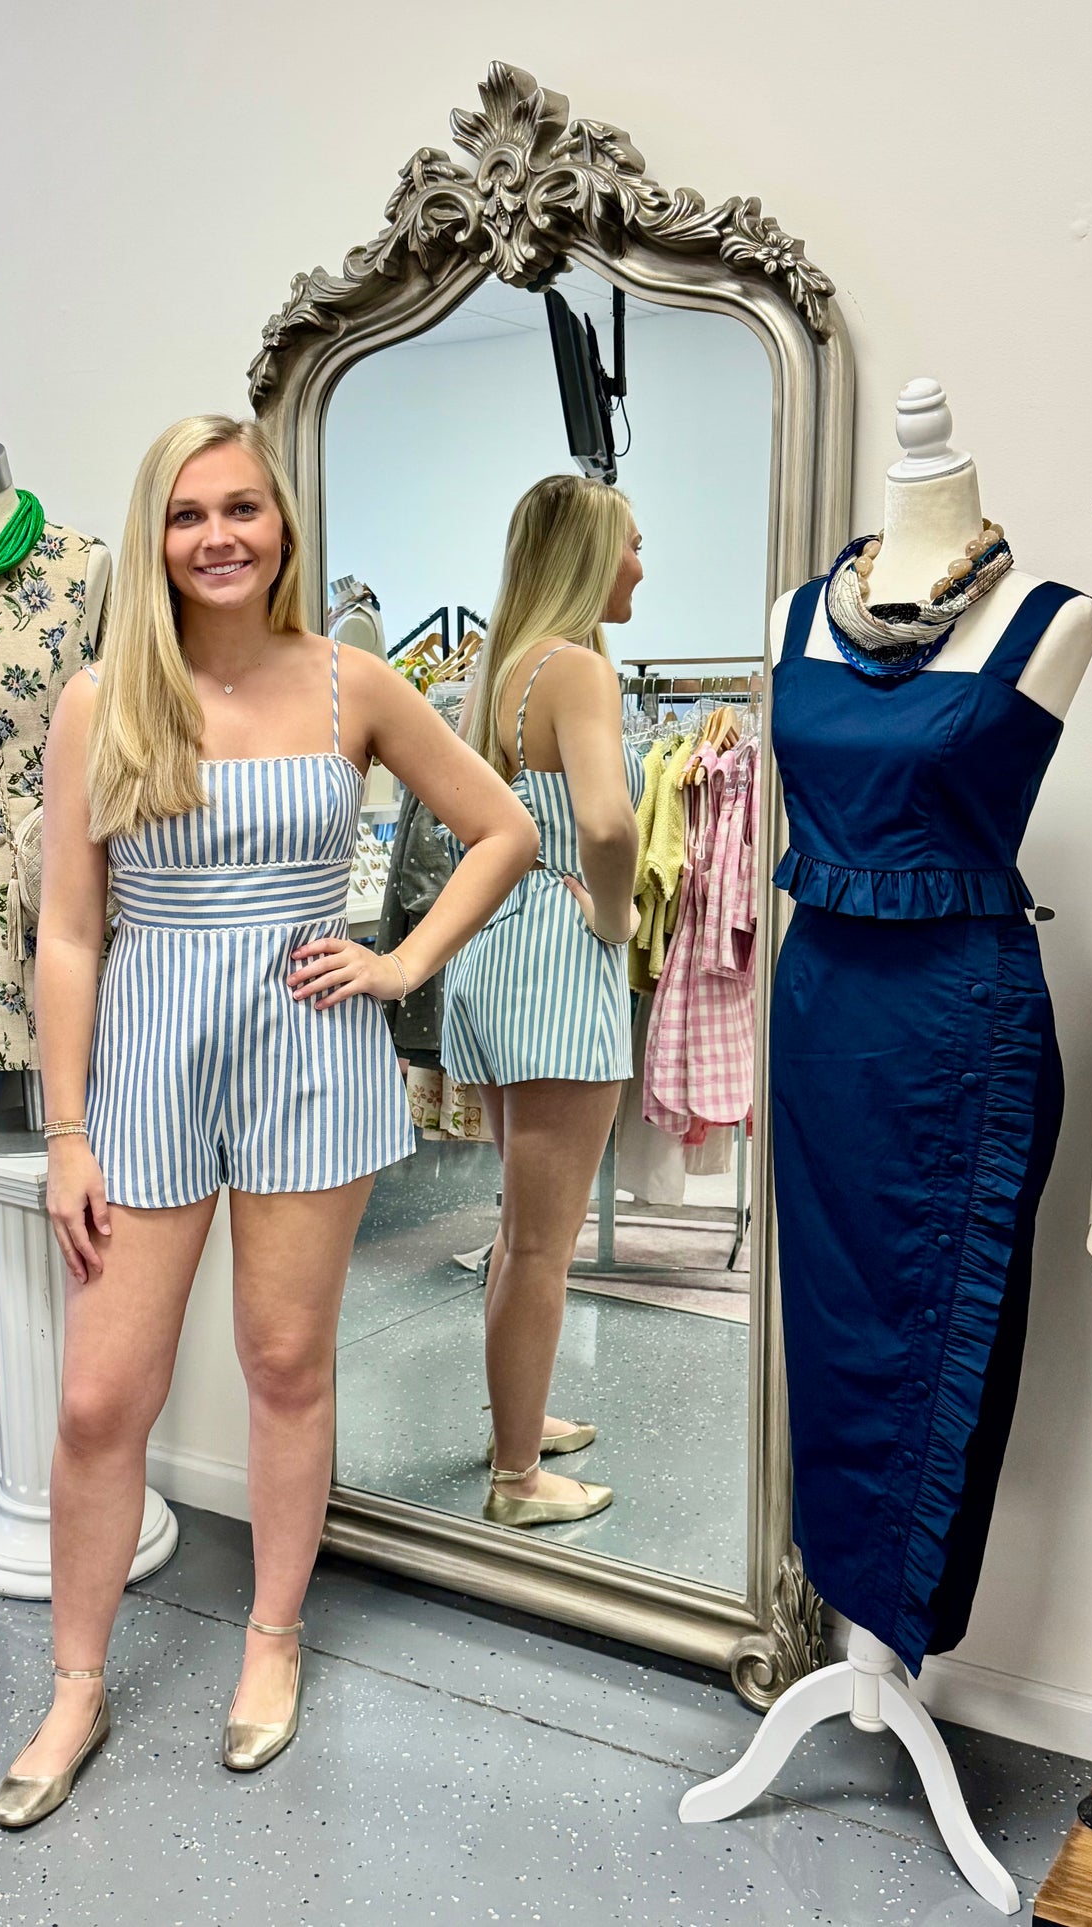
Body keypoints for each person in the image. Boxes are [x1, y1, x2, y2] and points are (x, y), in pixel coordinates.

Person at [0, 415, 537, 1827]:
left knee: (286, 1361)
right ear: (153, 536)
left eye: (242, 506)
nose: (218, 535)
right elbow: (68, 931)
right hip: (146, 1058)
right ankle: (74, 1683)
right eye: (187, 514)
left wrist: (401, 964)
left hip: (307, 1048)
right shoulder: (100, 697)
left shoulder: (354, 681)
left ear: (281, 524)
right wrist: (65, 1132)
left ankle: (273, 1637)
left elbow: (505, 830)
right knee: (100, 1397)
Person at [443, 474, 644, 1529]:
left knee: (518, 1228)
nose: (640, 565)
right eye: (630, 544)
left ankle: (513, 1425)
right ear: (586, 556)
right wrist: (614, 919)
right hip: (560, 958)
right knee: (539, 1242)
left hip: (494, 952)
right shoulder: (578, 670)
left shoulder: (502, 672)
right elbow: (606, 825)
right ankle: (518, 1478)